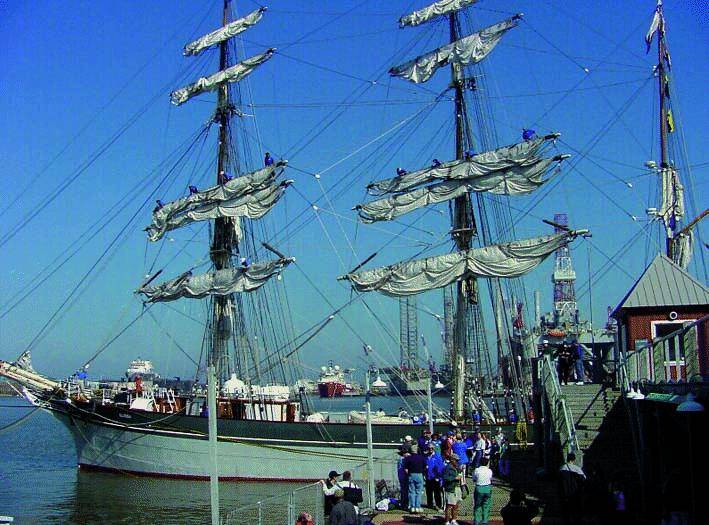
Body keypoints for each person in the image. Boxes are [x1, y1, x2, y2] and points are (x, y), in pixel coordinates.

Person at [558, 453, 586, 525]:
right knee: (575, 512)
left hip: (564, 494)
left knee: (566, 513)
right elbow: (584, 479)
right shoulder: (577, 469)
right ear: (573, 459)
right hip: (574, 494)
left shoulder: (561, 468)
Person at [403, 444, 426, 513]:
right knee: (418, 492)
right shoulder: (421, 458)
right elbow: (426, 467)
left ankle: (412, 507)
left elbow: (406, 469)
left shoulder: (408, 458)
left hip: (411, 475)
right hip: (419, 474)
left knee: (411, 491)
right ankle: (418, 507)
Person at [472, 456, 494, 525]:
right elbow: (490, 479)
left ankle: (477, 521)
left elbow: (474, 479)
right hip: (487, 488)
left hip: (479, 488)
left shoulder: (477, 470)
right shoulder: (489, 471)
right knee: (486, 505)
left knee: (477, 505)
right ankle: (485, 521)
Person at [442, 453, 463, 525]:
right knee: (449, 506)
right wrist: (454, 478)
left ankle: (454, 519)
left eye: (458, 461)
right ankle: (447, 521)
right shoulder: (447, 468)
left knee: (456, 505)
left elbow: (460, 474)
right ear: (452, 460)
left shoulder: (457, 467)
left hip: (457, 488)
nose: (457, 462)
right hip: (450, 488)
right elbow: (445, 478)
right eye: (456, 460)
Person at [424, 444, 444, 510]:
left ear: (434, 448)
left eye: (432, 448)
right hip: (428, 477)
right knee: (429, 492)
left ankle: (438, 505)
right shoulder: (426, 457)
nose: (430, 449)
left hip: (435, 477)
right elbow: (424, 466)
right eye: (429, 448)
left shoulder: (437, 457)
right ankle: (430, 505)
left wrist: (439, 477)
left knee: (437, 492)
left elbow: (440, 468)